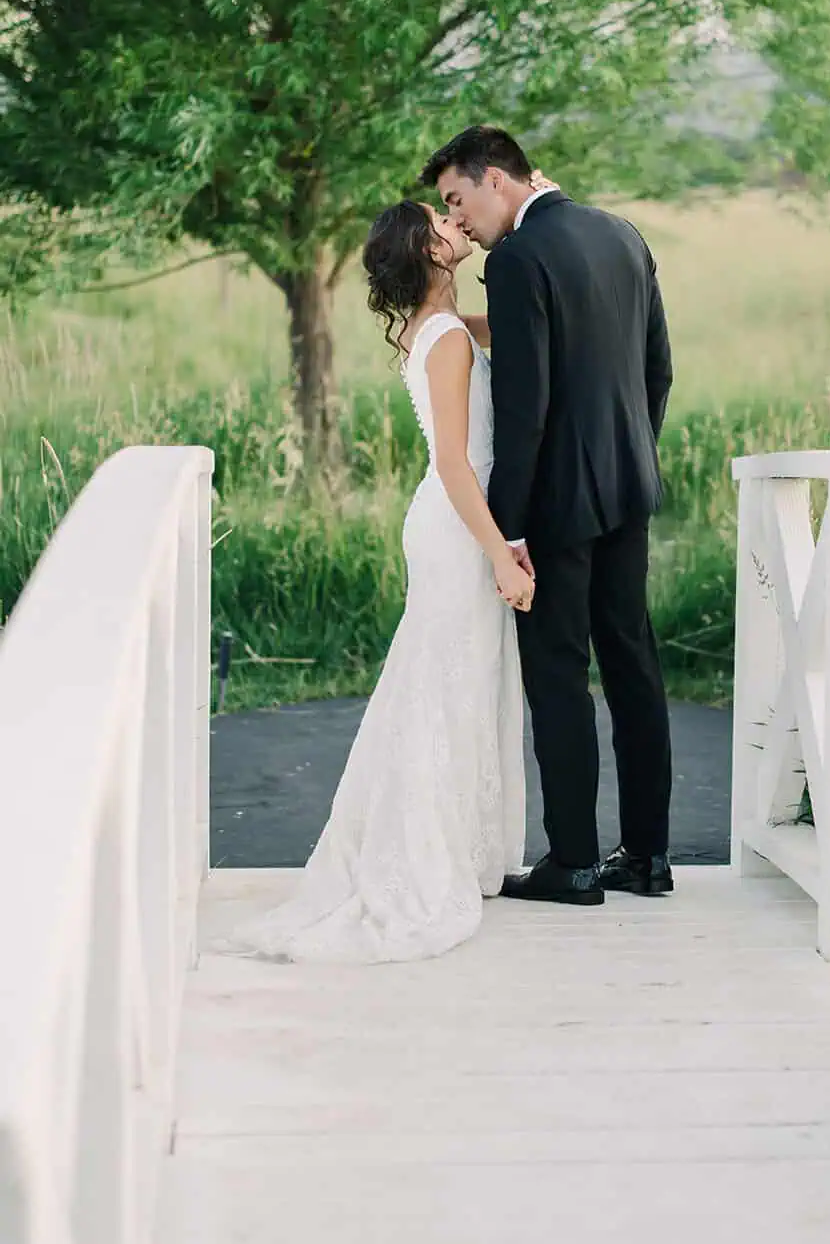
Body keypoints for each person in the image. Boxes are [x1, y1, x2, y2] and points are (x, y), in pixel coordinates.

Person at [213, 199, 528, 963]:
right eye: (441, 221)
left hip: (453, 520)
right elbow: (455, 462)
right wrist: (497, 552)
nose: (455, 223)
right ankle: (420, 858)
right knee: (441, 689)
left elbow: (518, 331)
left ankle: (455, 847)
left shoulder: (444, 328)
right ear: (425, 249)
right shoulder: (446, 337)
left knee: (450, 684)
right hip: (458, 526)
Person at [421, 125, 674, 906]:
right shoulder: (620, 234)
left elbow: (524, 408)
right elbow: (656, 367)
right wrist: (628, 456)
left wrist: (511, 530)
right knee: (632, 667)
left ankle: (573, 863)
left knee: (559, 677)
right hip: (628, 489)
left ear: (496, 179)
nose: (458, 221)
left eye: (458, 201)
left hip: (557, 509)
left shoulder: (519, 259)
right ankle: (647, 857)